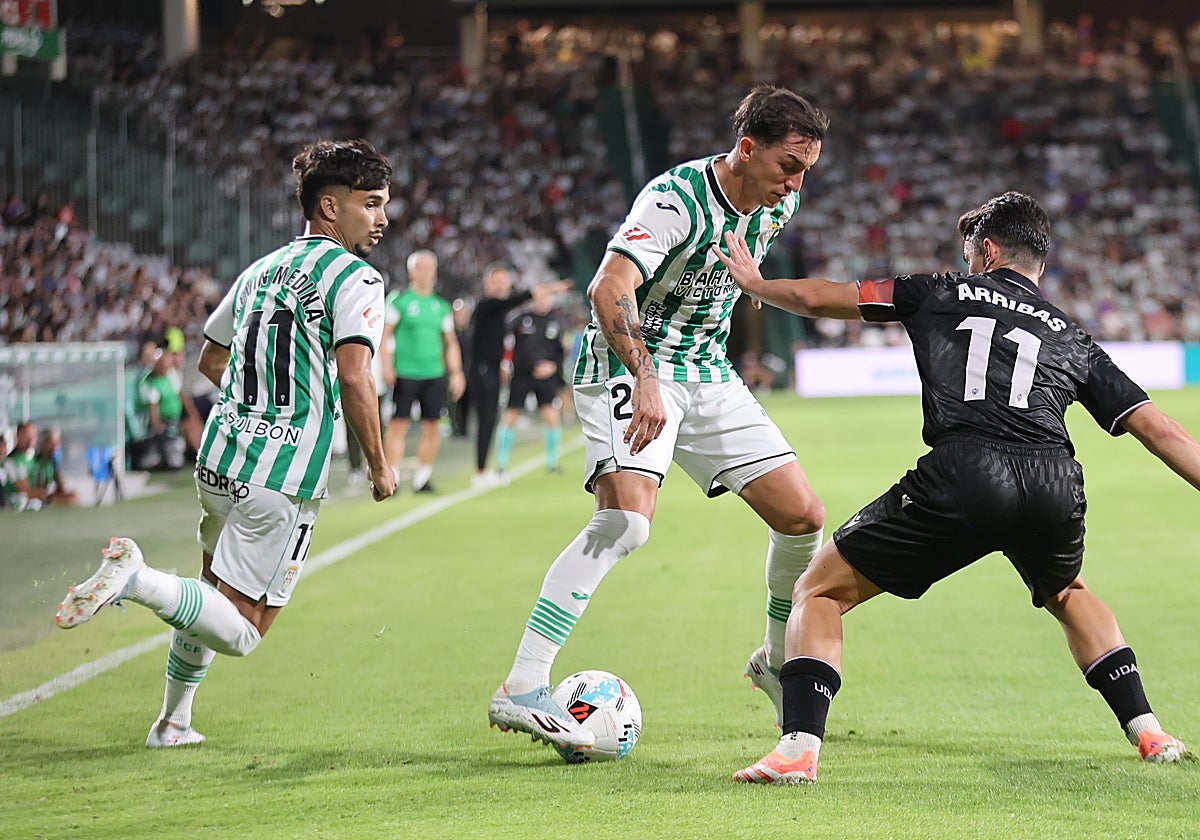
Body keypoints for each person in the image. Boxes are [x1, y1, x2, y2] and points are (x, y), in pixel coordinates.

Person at [713, 191, 1194, 784]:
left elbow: (822, 297)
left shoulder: (940, 290)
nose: (966, 260)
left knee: (817, 589)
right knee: (1068, 591)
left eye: (970, 250)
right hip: (1053, 480)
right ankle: (1148, 729)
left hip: (968, 473)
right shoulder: (1071, 335)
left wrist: (757, 286)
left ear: (987, 250)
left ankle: (797, 749)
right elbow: (1160, 429)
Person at [487, 85, 831, 749]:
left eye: (807, 170)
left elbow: (727, 266)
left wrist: (747, 284)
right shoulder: (675, 199)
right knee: (625, 523)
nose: (795, 183)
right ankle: (522, 685)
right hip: (630, 361)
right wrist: (644, 376)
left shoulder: (773, 204)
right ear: (748, 147)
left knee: (803, 518)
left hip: (706, 370)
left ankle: (776, 662)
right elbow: (607, 287)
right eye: (789, 166)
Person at [55, 138, 398, 748]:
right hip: (282, 473)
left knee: (208, 593)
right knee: (242, 629)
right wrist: (379, 464)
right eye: (370, 204)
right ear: (328, 207)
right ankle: (137, 579)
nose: (382, 217)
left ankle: (173, 720)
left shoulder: (261, 269)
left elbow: (212, 358)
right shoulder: (358, 279)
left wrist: (255, 398)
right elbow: (355, 376)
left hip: (220, 457)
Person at [467, 264, 568, 487]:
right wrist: (544, 289)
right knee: (489, 419)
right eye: (498, 281)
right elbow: (512, 304)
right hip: (496, 372)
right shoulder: (489, 305)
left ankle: (488, 469)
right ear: (488, 284)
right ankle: (484, 471)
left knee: (492, 419)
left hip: (501, 370)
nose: (503, 286)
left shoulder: (550, 320)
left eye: (506, 281)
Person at [380, 249, 465, 494]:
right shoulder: (400, 301)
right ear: (411, 271)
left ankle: (422, 478)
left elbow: (450, 342)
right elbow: (384, 336)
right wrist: (386, 365)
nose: (426, 273)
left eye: (429, 268)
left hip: (434, 374)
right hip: (405, 373)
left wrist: (456, 372)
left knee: (432, 426)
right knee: (398, 426)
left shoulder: (440, 307)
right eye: (421, 268)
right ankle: (392, 477)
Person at [494, 291, 570, 475]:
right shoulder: (519, 319)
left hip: (546, 377)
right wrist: (505, 364)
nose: (544, 300)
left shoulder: (558, 322)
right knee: (510, 415)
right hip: (521, 375)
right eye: (540, 296)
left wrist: (552, 366)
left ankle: (552, 462)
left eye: (547, 296)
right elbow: (505, 343)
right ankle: (501, 463)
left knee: (551, 417)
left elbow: (563, 350)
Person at [29, 427, 78, 507]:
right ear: (42, 444)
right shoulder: (36, 463)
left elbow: (61, 487)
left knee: (73, 496)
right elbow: (38, 490)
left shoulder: (53, 462)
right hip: (36, 500)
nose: (54, 447)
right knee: (68, 500)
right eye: (50, 443)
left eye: (57, 443)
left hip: (47, 496)